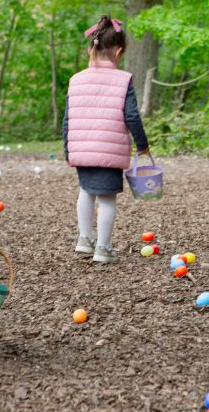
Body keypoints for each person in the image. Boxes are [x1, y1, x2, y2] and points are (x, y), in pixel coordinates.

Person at [63, 15, 149, 264]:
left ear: (92, 47)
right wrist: (142, 144)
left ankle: (84, 239)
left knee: (85, 192)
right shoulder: (124, 80)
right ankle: (103, 247)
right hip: (109, 152)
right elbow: (131, 115)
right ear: (119, 51)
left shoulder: (75, 80)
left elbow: (67, 119)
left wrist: (67, 149)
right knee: (107, 199)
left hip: (81, 149)